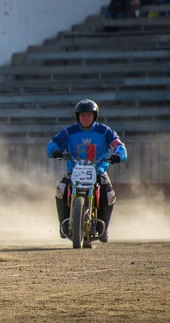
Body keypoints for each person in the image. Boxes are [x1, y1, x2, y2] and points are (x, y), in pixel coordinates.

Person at [47, 100, 128, 243]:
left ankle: (104, 228)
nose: (85, 118)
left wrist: (118, 154)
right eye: (82, 115)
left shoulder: (105, 131)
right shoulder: (69, 131)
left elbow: (118, 145)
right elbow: (53, 143)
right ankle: (63, 225)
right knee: (61, 190)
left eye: (89, 115)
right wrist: (55, 150)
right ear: (78, 116)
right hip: (75, 172)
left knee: (109, 194)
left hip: (98, 171)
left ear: (94, 116)